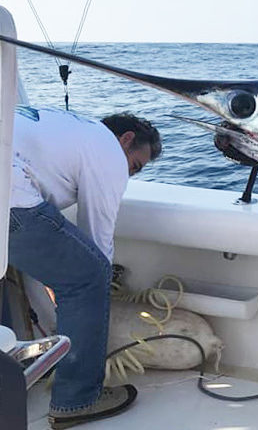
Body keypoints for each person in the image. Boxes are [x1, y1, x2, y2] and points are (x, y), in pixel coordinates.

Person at [7, 107, 162, 429]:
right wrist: (88, 282)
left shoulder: (70, 126)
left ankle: (7, 376)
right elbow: (98, 236)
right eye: (134, 165)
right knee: (89, 277)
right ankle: (76, 400)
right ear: (126, 139)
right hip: (9, 193)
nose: (128, 174)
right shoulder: (107, 148)